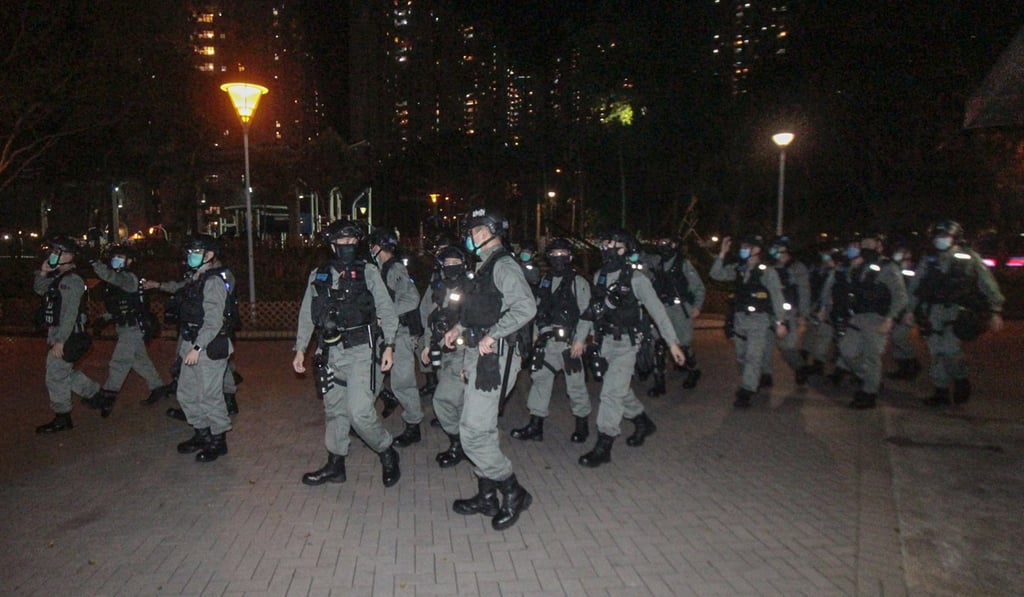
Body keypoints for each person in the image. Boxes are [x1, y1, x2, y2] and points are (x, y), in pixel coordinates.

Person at [442, 207, 536, 530]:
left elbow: (526, 306)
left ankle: (513, 491)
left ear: (489, 233)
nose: (471, 235)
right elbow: (476, 309)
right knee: (479, 428)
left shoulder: (504, 265)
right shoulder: (481, 267)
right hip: (478, 355)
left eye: (476, 230)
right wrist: (457, 329)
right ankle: (486, 496)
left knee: (471, 434)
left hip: (497, 358)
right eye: (472, 230)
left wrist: (495, 333)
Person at [291, 220, 402, 487]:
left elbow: (387, 310)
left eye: (353, 242)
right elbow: (307, 314)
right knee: (335, 410)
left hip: (362, 349)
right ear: (332, 245)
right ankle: (335, 463)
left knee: (360, 412)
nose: (348, 247)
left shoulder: (369, 273)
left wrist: (389, 344)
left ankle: (387, 451)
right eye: (342, 242)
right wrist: (300, 350)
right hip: (329, 351)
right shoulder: (319, 274)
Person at [577, 228, 686, 467]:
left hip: (627, 344)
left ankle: (604, 444)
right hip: (605, 343)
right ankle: (642, 421)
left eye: (616, 245)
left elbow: (658, 311)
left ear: (626, 249)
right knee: (619, 388)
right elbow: (592, 311)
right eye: (606, 243)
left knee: (610, 394)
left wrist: (672, 343)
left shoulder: (637, 279)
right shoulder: (599, 276)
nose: (609, 248)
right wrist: (583, 339)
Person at [144, 235, 238, 460]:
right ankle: (202, 433)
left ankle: (218, 440)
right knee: (186, 392)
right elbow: (179, 290)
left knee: (210, 395)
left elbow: (214, 321)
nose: (191, 256)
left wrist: (197, 347)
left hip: (208, 346)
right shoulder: (197, 277)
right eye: (190, 252)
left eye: (196, 252)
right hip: (192, 341)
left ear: (209, 255)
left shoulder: (214, 281)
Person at [909, 221, 1004, 406]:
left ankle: (961, 379)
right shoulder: (928, 259)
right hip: (931, 312)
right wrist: (910, 311)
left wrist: (995, 310)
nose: (941, 240)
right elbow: (915, 287)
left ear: (955, 238)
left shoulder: (969, 258)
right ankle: (941, 392)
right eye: (938, 237)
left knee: (950, 351)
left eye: (945, 236)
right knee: (936, 352)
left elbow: (988, 285)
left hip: (957, 311)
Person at [510, 238, 593, 443]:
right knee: (540, 381)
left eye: (562, 254)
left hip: (569, 344)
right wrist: (536, 333)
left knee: (575, 385)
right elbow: (539, 310)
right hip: (547, 343)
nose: (558, 258)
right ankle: (536, 426)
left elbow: (586, 314)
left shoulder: (578, 282)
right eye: (554, 254)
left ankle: (582, 425)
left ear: (570, 256)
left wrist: (580, 340)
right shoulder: (546, 280)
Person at [81, 244, 167, 417]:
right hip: (126, 326)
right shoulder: (117, 281)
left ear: (129, 261)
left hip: (133, 327)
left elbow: (109, 276)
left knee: (119, 362)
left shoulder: (127, 278)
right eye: (114, 256)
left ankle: (107, 396)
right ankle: (158, 388)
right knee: (139, 360)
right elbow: (118, 306)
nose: (116, 259)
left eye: (120, 256)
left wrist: (94, 262)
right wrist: (103, 319)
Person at [828, 233, 907, 409]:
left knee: (872, 357)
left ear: (879, 245)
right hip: (858, 316)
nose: (866, 246)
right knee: (846, 351)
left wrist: (890, 319)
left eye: (870, 243)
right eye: (863, 243)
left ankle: (869, 394)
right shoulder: (857, 265)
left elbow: (900, 296)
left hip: (877, 318)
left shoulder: (887, 267)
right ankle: (870, 379)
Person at [710, 235, 788, 408]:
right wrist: (722, 253)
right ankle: (753, 379)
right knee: (741, 356)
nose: (743, 249)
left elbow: (777, 296)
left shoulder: (766, 271)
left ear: (757, 249)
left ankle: (747, 390)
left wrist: (780, 321)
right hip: (739, 319)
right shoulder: (740, 268)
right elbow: (716, 274)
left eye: (747, 246)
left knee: (753, 356)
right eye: (742, 246)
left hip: (759, 320)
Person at [33, 236, 102, 434]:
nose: (53, 255)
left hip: (68, 335)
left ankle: (62, 416)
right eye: (53, 251)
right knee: (64, 373)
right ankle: (97, 396)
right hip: (58, 333)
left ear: (70, 256)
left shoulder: (72, 281)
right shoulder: (58, 277)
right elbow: (40, 289)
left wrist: (60, 341)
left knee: (54, 375)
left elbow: (70, 314)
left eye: (58, 252)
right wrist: (43, 272)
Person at [367, 227, 424, 447]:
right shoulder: (380, 269)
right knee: (372, 378)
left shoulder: (395, 269)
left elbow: (412, 298)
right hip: (386, 334)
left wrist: (387, 314)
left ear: (381, 245)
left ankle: (413, 425)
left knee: (403, 382)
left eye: (374, 244)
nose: (371, 248)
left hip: (400, 334)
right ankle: (362, 420)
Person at [420, 245, 473, 468]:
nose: (451, 266)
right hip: (441, 351)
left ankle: (457, 443)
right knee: (458, 402)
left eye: (455, 262)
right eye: (447, 263)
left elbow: (477, 320)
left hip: (463, 351)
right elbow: (429, 318)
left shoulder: (472, 287)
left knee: (442, 400)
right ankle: (467, 444)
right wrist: (426, 345)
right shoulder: (437, 286)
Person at [644, 232, 705, 396]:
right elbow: (641, 258)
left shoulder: (683, 264)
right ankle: (659, 382)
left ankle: (693, 371)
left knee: (683, 344)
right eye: (660, 241)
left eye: (667, 241)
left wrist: (697, 306)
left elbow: (698, 287)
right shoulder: (656, 263)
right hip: (660, 309)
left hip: (679, 310)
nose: (663, 245)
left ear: (674, 244)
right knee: (658, 345)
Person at [761, 236, 811, 387]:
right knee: (765, 345)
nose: (775, 251)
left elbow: (804, 292)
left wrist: (803, 315)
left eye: (778, 248)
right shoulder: (769, 267)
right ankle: (765, 374)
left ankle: (800, 367)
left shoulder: (797, 267)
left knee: (787, 346)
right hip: (768, 310)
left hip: (788, 312)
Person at [416, 231, 459, 399]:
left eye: (446, 249)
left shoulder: (462, 276)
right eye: (440, 249)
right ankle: (434, 385)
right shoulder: (437, 273)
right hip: (437, 330)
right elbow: (427, 307)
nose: (443, 253)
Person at [799, 245, 838, 380]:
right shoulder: (815, 268)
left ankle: (818, 365)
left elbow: (830, 292)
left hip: (828, 308)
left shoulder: (835, 271)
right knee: (810, 333)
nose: (825, 258)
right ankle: (805, 359)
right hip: (814, 305)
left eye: (828, 255)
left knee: (823, 336)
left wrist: (825, 308)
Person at [886, 243, 922, 380]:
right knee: (896, 341)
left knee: (898, 337)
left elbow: (913, 291)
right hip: (896, 310)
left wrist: (911, 311)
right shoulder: (892, 267)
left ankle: (913, 363)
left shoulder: (912, 270)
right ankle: (904, 369)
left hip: (908, 310)